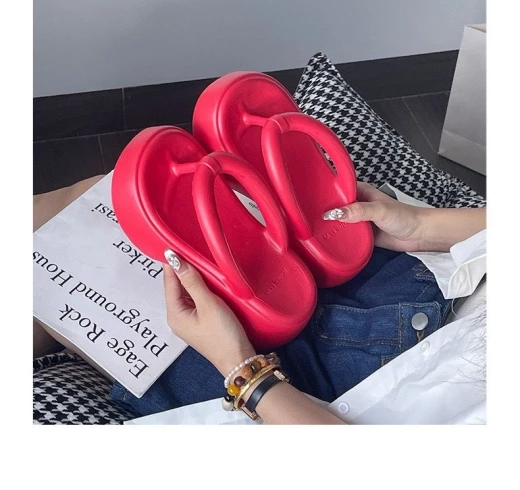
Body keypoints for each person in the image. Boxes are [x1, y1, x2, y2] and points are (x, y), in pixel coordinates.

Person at [33, 177, 486, 424]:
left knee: (57, 258)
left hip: (316, 401)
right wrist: (420, 227)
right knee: (106, 198)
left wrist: (243, 371)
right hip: (427, 278)